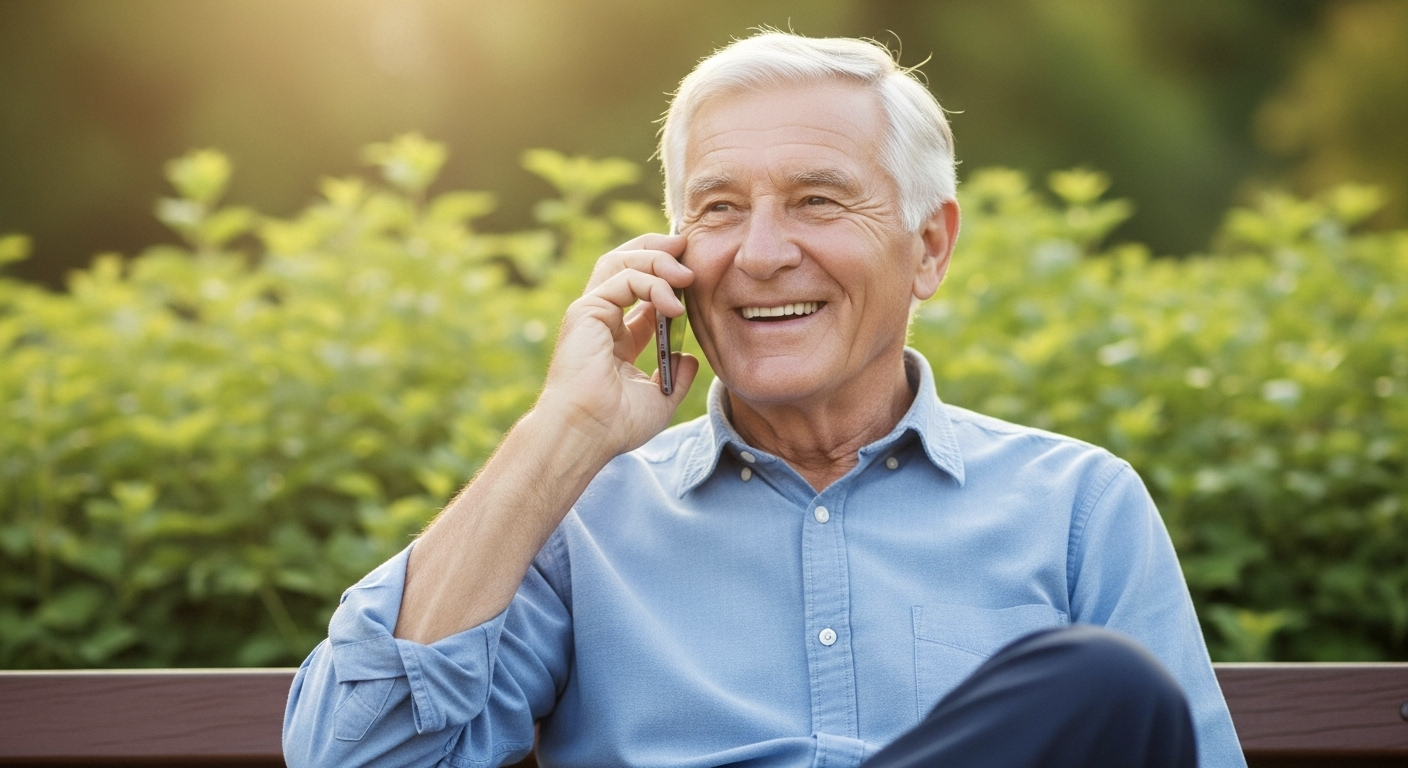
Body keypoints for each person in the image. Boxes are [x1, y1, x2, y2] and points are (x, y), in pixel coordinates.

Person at [283, 31, 1245, 768]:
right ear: (670, 255)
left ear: (930, 247)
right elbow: (352, 753)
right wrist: (562, 433)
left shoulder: (1075, 505)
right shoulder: (582, 521)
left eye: (818, 200)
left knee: (1101, 687)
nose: (760, 253)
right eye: (718, 208)